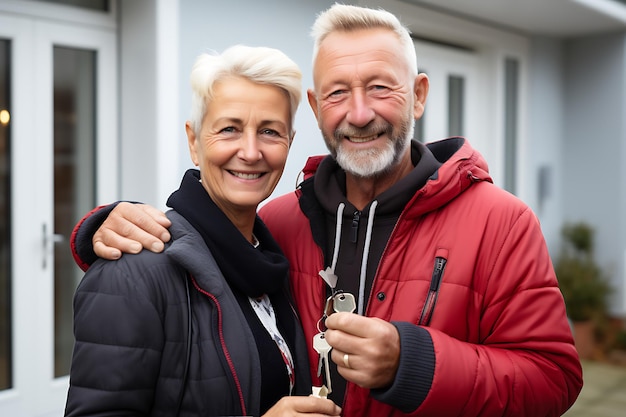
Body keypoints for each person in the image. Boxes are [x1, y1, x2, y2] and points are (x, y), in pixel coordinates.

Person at [70, 4, 583, 417]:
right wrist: (98, 227)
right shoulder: (280, 222)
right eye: (339, 93)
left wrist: (415, 363)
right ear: (316, 110)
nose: (359, 114)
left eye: (380, 87)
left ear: (419, 95)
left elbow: (554, 381)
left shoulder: (501, 221)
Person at [64, 44, 342, 417]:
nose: (250, 151)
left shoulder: (270, 263)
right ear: (193, 141)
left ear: (289, 144)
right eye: (229, 129)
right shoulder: (134, 269)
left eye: (270, 132)